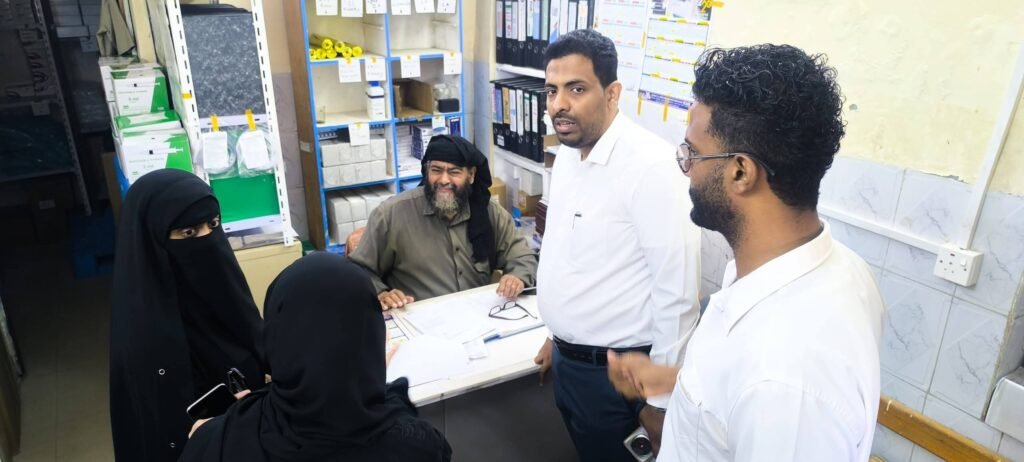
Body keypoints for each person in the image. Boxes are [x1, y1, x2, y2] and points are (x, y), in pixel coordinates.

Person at [607, 44, 886, 461]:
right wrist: (672, 381)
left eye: (692, 153)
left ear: (741, 172)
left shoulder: (786, 384)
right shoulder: (836, 267)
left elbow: (765, 390)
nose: (686, 168)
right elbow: (733, 398)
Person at [534, 29, 702, 461]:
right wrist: (557, 335)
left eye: (576, 89)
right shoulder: (568, 155)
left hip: (621, 379)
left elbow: (678, 294)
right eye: (551, 90)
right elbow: (568, 255)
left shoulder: (651, 168)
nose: (558, 104)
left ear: (612, 93)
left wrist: (660, 402)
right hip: (570, 365)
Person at [180, 252, 452, 462]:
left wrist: (219, 431)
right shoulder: (418, 447)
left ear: (275, 339)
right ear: (372, 337)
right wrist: (382, 388)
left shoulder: (220, 442)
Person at [110, 169, 265, 462]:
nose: (207, 239)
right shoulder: (142, 343)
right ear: (153, 240)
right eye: (189, 233)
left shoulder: (229, 298)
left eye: (213, 224)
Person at [349, 135, 538, 310]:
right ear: (427, 171)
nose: (444, 180)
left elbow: (523, 257)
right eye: (436, 170)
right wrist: (381, 293)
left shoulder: (490, 212)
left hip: (479, 317)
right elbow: (358, 271)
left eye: (454, 172)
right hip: (416, 320)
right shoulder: (391, 214)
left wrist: (516, 277)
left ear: (471, 175)